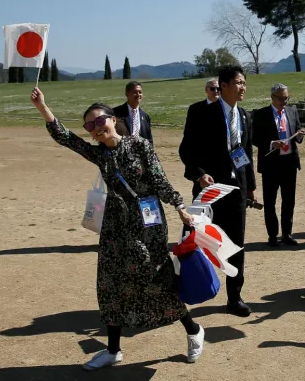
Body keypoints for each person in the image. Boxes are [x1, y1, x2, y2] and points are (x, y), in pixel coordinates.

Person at [29, 88, 203, 370]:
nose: (95, 129)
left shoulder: (140, 145)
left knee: (156, 280)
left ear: (113, 119)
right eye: (90, 126)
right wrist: (43, 108)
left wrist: (180, 205)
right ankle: (113, 350)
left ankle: (193, 330)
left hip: (148, 224)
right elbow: (66, 138)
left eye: (99, 122)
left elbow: (159, 180)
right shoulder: (100, 155)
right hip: (115, 226)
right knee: (111, 284)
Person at [179, 65, 256, 317]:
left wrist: (251, 187)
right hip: (209, 191)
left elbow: (246, 155)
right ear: (223, 86)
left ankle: (234, 297)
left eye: (244, 83)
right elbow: (187, 150)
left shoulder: (244, 116)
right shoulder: (201, 112)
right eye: (238, 83)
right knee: (197, 242)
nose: (243, 87)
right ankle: (187, 291)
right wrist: (200, 174)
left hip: (236, 191)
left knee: (236, 245)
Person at [252, 83, 305, 247]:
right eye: (281, 98)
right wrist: (271, 143)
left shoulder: (292, 111)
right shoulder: (261, 114)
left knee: (289, 200)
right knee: (270, 202)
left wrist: (299, 135)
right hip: (270, 165)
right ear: (272, 97)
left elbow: (297, 132)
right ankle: (273, 236)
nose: (284, 101)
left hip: (289, 163)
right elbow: (254, 138)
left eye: (287, 98)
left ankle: (287, 234)